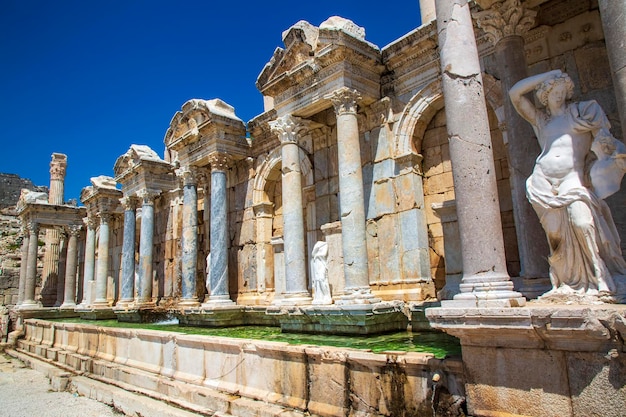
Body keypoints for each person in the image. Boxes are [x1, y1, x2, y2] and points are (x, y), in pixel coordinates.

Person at [509, 69, 626, 300]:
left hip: (572, 180)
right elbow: (515, 94)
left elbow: (605, 142)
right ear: (545, 94)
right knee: (557, 237)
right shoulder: (542, 121)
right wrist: (548, 75)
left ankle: (601, 277)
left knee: (583, 223)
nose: (559, 96)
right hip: (543, 181)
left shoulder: (582, 114)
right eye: (554, 92)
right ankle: (567, 281)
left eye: (563, 91)